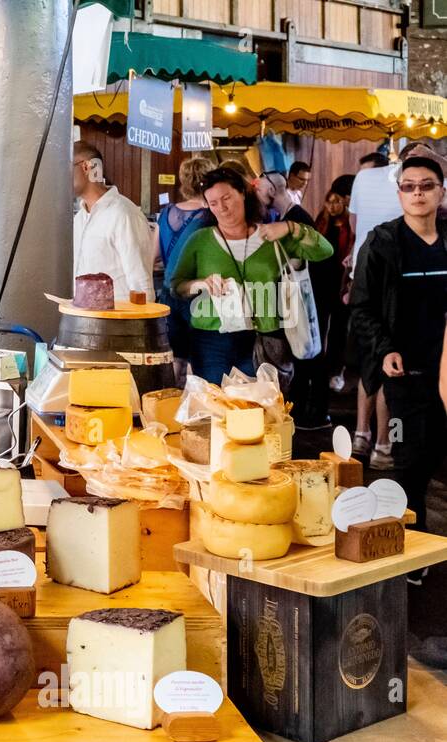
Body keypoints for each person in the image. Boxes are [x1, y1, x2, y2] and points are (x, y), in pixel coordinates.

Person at [350, 155, 447, 543]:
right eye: (409, 186)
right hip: (406, 378)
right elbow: (362, 307)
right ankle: (416, 543)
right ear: (400, 193)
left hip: (446, 373)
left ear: (441, 191)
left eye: (426, 185)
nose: (418, 193)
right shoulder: (382, 242)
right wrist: (384, 349)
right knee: (408, 464)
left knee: (436, 458)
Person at [171, 166, 333, 383]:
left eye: (226, 198)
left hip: (262, 339)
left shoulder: (271, 236)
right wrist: (201, 284)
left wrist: (291, 227)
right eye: (213, 203)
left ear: (243, 193)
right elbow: (177, 286)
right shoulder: (200, 240)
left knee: (256, 409)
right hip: (211, 341)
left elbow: (324, 251)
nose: (222, 208)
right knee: (214, 408)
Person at [295, 186, 356, 429]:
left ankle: (332, 371)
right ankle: (312, 385)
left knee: (334, 332)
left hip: (336, 285)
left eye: (336, 202)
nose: (332, 206)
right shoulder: (320, 223)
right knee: (315, 333)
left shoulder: (348, 228)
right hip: (316, 285)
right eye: (328, 201)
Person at [72, 142, 155, 301]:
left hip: (117, 323)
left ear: (86, 167)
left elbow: (141, 286)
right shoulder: (79, 219)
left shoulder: (124, 214)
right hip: (84, 319)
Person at [157, 156, 217, 377]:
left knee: (175, 358)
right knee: (196, 360)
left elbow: (153, 255)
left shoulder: (166, 213)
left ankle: (168, 406)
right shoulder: (209, 216)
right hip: (197, 293)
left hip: (168, 292)